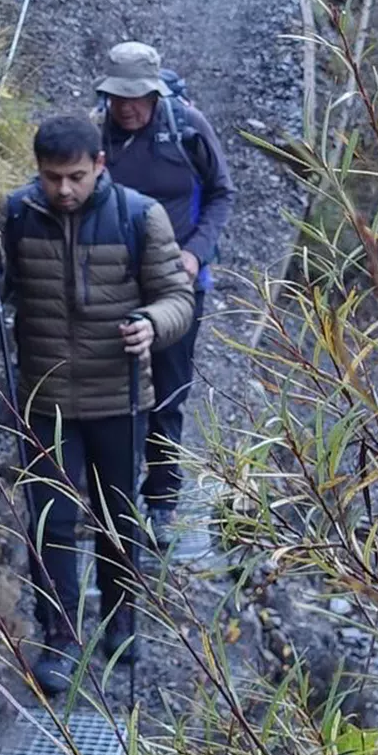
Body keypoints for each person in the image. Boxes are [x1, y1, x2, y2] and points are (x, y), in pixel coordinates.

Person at [0, 109, 192, 699]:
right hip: (45, 398)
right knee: (51, 524)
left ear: (99, 167)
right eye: (52, 176)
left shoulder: (140, 217)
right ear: (38, 171)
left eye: (76, 177)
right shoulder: (15, 214)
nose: (63, 189)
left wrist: (150, 324)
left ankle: (120, 619)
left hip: (119, 397)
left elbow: (177, 299)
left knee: (118, 516)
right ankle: (60, 638)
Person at [95, 42, 234, 549]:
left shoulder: (188, 127)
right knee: (117, 387)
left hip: (178, 282)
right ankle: (114, 500)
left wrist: (197, 252)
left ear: (154, 94)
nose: (126, 107)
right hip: (114, 281)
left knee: (169, 390)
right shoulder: (98, 132)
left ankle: (162, 500)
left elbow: (222, 193)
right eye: (117, 98)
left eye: (136, 98)